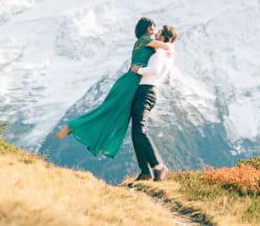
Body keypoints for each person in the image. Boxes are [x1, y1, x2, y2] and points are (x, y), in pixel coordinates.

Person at [55, 16, 173, 159]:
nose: (154, 31)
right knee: (110, 110)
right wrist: (169, 48)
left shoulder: (145, 42)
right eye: (153, 28)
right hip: (131, 82)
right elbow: (164, 46)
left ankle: (89, 134)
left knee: (117, 114)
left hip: (132, 82)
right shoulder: (144, 40)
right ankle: (74, 126)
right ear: (148, 28)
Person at [129, 24, 177, 181]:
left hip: (147, 91)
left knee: (140, 131)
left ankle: (158, 166)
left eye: (159, 32)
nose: (155, 34)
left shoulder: (161, 52)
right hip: (147, 90)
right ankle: (144, 172)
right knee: (136, 132)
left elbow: (155, 70)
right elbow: (166, 77)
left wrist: (138, 70)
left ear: (164, 38)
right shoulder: (164, 52)